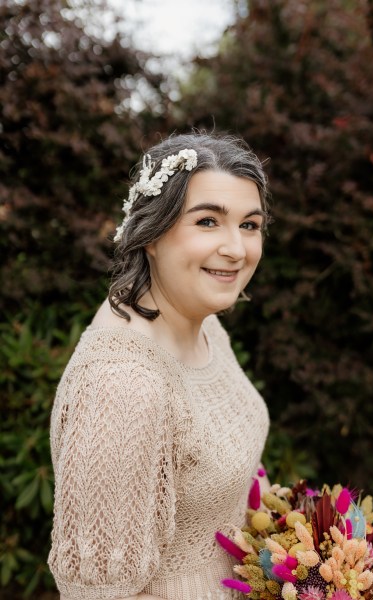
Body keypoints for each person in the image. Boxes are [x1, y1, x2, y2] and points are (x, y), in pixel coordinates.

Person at [48, 132, 271, 600]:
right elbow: (99, 595)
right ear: (150, 234)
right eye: (208, 221)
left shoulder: (203, 325)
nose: (236, 248)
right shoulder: (122, 385)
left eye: (250, 225)